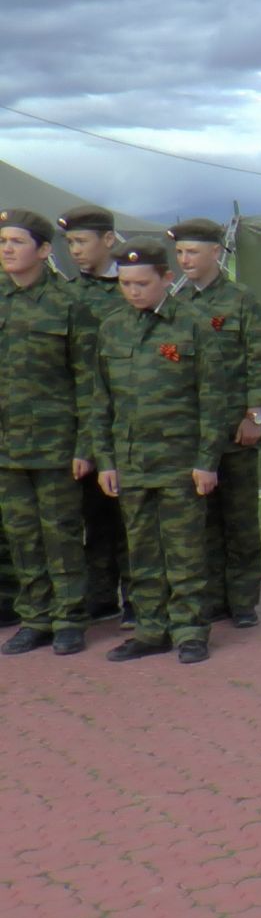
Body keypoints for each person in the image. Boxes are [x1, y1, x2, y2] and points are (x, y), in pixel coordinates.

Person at [91, 238, 222, 665]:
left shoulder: (194, 324)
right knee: (140, 551)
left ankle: (189, 630)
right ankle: (150, 630)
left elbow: (214, 400)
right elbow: (101, 401)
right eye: (125, 283)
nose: (133, 291)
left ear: (166, 279)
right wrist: (105, 460)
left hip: (180, 463)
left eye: (142, 283)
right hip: (131, 463)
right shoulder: (112, 327)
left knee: (184, 550)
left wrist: (207, 461)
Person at [0, 209, 98, 657]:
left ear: (42, 250)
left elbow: (89, 381)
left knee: (60, 534)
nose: (6, 249)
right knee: (21, 536)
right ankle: (34, 618)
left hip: (57, 444)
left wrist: (85, 445)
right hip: (7, 446)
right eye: (2, 241)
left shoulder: (69, 304)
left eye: (17, 242)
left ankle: (69, 619)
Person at [169, 218, 261, 630]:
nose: (185, 260)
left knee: (240, 519)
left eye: (192, 252)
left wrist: (254, 415)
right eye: (179, 253)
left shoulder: (241, 300)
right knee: (204, 523)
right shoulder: (176, 304)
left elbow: (259, 359)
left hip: (236, 429)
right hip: (197, 435)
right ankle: (213, 597)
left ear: (216, 252)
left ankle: (244, 599)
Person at [58, 205, 132, 628]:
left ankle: (138, 598)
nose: (75, 251)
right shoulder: (67, 295)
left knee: (132, 517)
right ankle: (100, 596)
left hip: (129, 420)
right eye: (69, 243)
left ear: (108, 240)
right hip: (83, 423)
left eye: (82, 241)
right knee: (94, 517)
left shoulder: (131, 288)